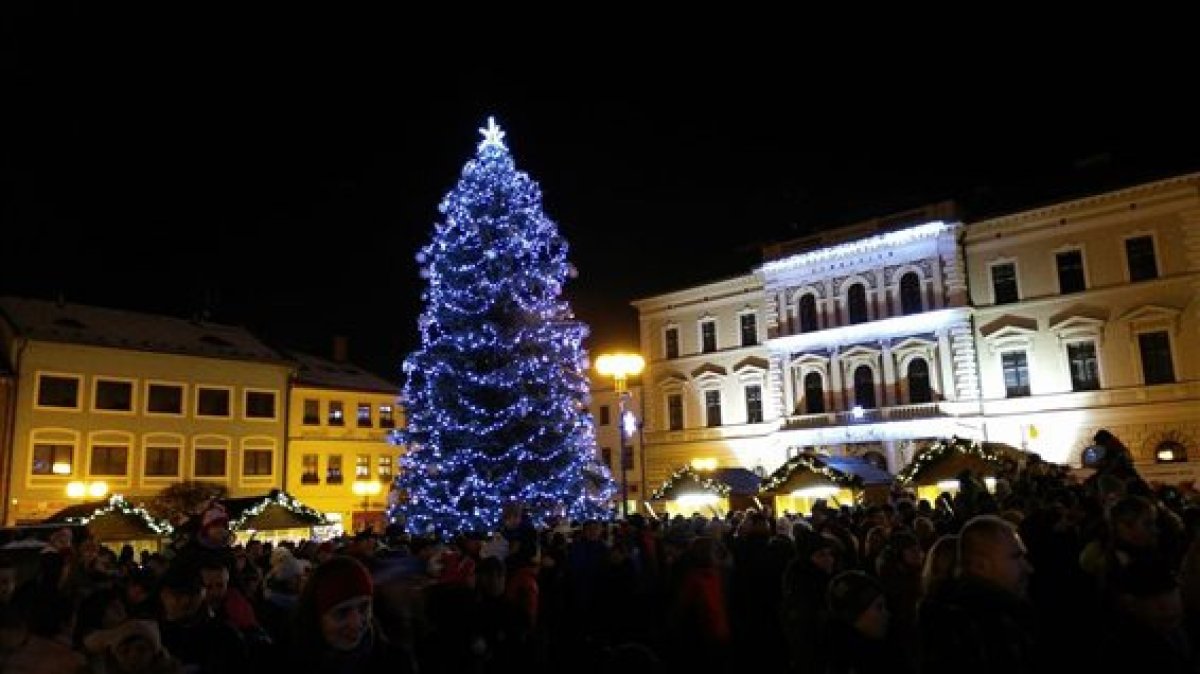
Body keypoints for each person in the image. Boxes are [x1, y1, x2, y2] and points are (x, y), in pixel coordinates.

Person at [289, 555, 416, 673]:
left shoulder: (397, 663)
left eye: (364, 607)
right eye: (341, 613)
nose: (356, 623)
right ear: (316, 616)